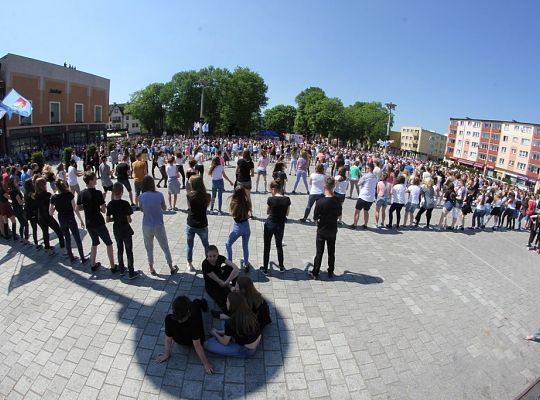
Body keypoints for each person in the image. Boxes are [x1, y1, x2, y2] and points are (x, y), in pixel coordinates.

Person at [154, 296, 214, 374]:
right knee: (195, 303)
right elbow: (197, 346)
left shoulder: (168, 319)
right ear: (188, 312)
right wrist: (206, 364)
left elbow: (168, 340)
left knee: (194, 307)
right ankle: (203, 304)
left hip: (180, 341)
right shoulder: (194, 322)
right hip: (195, 340)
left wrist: (166, 354)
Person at [139, 175, 178, 276]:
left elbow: (142, 209)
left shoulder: (141, 196)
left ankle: (151, 267)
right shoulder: (159, 195)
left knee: (149, 247)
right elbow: (164, 208)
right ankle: (171, 266)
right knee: (165, 246)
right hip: (159, 225)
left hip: (146, 225)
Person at [77, 172, 116, 272]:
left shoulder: (81, 193)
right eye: (94, 179)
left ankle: (93, 264)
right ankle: (113, 266)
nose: (96, 180)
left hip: (89, 223)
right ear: (90, 181)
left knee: (94, 243)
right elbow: (103, 210)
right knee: (109, 243)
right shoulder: (98, 193)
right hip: (99, 222)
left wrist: (87, 206)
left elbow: (78, 208)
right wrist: (101, 201)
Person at [205, 292, 261, 358]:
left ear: (232, 305)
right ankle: (231, 338)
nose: (226, 303)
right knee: (225, 325)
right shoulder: (249, 311)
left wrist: (215, 333)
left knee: (207, 344)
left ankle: (235, 346)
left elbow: (224, 342)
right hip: (256, 341)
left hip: (246, 350)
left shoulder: (230, 322)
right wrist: (219, 331)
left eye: (227, 301)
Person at [309, 176, 342, 279]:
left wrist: (317, 224)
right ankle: (330, 271)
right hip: (332, 229)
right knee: (331, 251)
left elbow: (315, 218)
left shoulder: (320, 202)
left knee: (319, 252)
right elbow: (339, 214)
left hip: (322, 230)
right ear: (334, 186)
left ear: (324, 185)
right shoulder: (337, 200)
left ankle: (315, 272)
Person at [106, 182, 139, 280]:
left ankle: (121, 269)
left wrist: (115, 219)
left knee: (119, 249)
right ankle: (131, 272)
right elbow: (129, 220)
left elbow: (107, 220)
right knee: (129, 251)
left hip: (117, 229)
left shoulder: (110, 204)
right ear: (121, 192)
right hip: (126, 229)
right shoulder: (125, 203)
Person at [50, 179, 86, 263]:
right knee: (77, 238)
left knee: (67, 238)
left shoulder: (53, 197)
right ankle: (82, 257)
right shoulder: (69, 194)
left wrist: (56, 207)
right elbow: (75, 208)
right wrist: (81, 220)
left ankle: (71, 257)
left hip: (62, 219)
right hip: (70, 218)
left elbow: (50, 212)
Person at [261, 180, 290, 275]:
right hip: (280, 225)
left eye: (271, 189)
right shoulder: (287, 199)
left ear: (274, 189)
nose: (270, 191)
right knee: (279, 245)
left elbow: (268, 212)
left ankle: (265, 268)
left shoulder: (270, 199)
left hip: (270, 224)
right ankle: (281, 266)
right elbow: (287, 213)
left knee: (267, 246)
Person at [34, 177, 66, 257]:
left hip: (40, 216)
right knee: (59, 232)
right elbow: (53, 204)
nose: (46, 185)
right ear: (42, 185)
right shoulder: (47, 195)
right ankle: (63, 250)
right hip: (48, 216)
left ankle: (48, 250)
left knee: (45, 233)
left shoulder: (35, 195)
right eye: (45, 184)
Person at [202, 245, 240, 312]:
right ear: (207, 256)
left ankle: (235, 286)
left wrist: (228, 282)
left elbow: (235, 268)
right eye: (210, 256)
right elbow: (220, 282)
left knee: (230, 268)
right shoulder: (205, 264)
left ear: (218, 255)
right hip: (212, 285)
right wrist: (230, 287)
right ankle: (223, 314)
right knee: (222, 301)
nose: (212, 258)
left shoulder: (220, 257)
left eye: (214, 256)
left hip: (220, 277)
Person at [185, 175, 211, 272]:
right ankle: (209, 262)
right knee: (206, 245)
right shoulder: (207, 196)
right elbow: (206, 206)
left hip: (191, 223)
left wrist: (188, 186)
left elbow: (189, 196)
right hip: (202, 224)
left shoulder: (189, 195)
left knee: (189, 245)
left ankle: (189, 263)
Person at [225, 187, 253, 272]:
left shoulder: (234, 203)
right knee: (245, 246)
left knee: (228, 244)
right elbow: (248, 215)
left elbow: (232, 214)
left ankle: (230, 264)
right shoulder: (247, 202)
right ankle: (246, 264)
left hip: (237, 228)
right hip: (246, 227)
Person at [351, 162, 377, 230]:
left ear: (369, 168)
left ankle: (355, 224)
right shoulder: (375, 177)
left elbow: (358, 184)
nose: (366, 169)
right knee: (366, 211)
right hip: (371, 197)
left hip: (363, 196)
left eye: (367, 168)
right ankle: (365, 225)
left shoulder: (365, 176)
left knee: (357, 211)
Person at [8, 178, 29, 245]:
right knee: (26, 224)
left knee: (22, 224)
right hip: (19, 209)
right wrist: (25, 199)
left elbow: (13, 200)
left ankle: (22, 239)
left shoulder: (11, 191)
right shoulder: (16, 191)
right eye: (15, 181)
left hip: (15, 209)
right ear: (13, 184)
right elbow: (20, 202)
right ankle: (26, 239)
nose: (17, 182)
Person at [24, 180, 41, 249]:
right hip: (33, 213)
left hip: (29, 213)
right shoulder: (31, 193)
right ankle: (37, 244)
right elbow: (36, 199)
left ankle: (36, 243)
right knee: (39, 227)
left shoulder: (26, 193)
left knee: (35, 228)